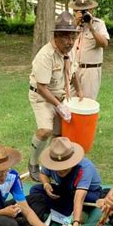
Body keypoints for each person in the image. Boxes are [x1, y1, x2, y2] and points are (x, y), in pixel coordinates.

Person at [28, 11, 83, 182]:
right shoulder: (45, 56)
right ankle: (33, 163)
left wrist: (80, 92)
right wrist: (59, 106)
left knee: (60, 136)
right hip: (42, 97)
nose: (70, 42)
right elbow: (42, 87)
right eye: (66, 38)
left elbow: (72, 74)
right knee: (46, 131)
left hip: (60, 96)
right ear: (56, 37)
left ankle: (53, 168)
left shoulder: (70, 51)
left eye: (73, 37)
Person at [27, 136, 102, 226]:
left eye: (65, 167)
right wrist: (46, 185)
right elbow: (43, 174)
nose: (61, 170)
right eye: (57, 167)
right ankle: (72, 212)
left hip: (87, 193)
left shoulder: (85, 167)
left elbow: (79, 198)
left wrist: (76, 223)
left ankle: (72, 214)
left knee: (77, 198)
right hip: (65, 190)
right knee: (35, 190)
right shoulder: (50, 161)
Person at [71, 0, 109, 100]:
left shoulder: (99, 24)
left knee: (87, 104)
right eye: (80, 11)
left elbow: (104, 44)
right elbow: (63, 39)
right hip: (74, 69)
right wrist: (75, 23)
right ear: (75, 11)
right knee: (69, 102)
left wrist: (91, 28)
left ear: (91, 10)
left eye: (86, 10)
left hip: (90, 71)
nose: (83, 14)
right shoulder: (72, 24)